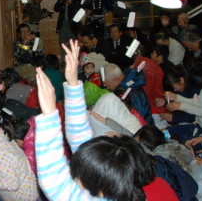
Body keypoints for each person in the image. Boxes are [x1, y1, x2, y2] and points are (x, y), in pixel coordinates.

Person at [34, 40, 177, 201]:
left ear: (99, 189)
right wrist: (72, 84)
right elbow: (80, 142)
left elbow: (51, 178)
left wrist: (49, 114)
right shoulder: (127, 189)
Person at [54, 0, 82, 64]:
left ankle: (76, 62)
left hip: (74, 25)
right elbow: (56, 9)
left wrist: (71, 3)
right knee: (63, 44)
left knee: (74, 44)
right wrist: (60, 0)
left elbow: (80, 9)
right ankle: (65, 62)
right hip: (63, 24)